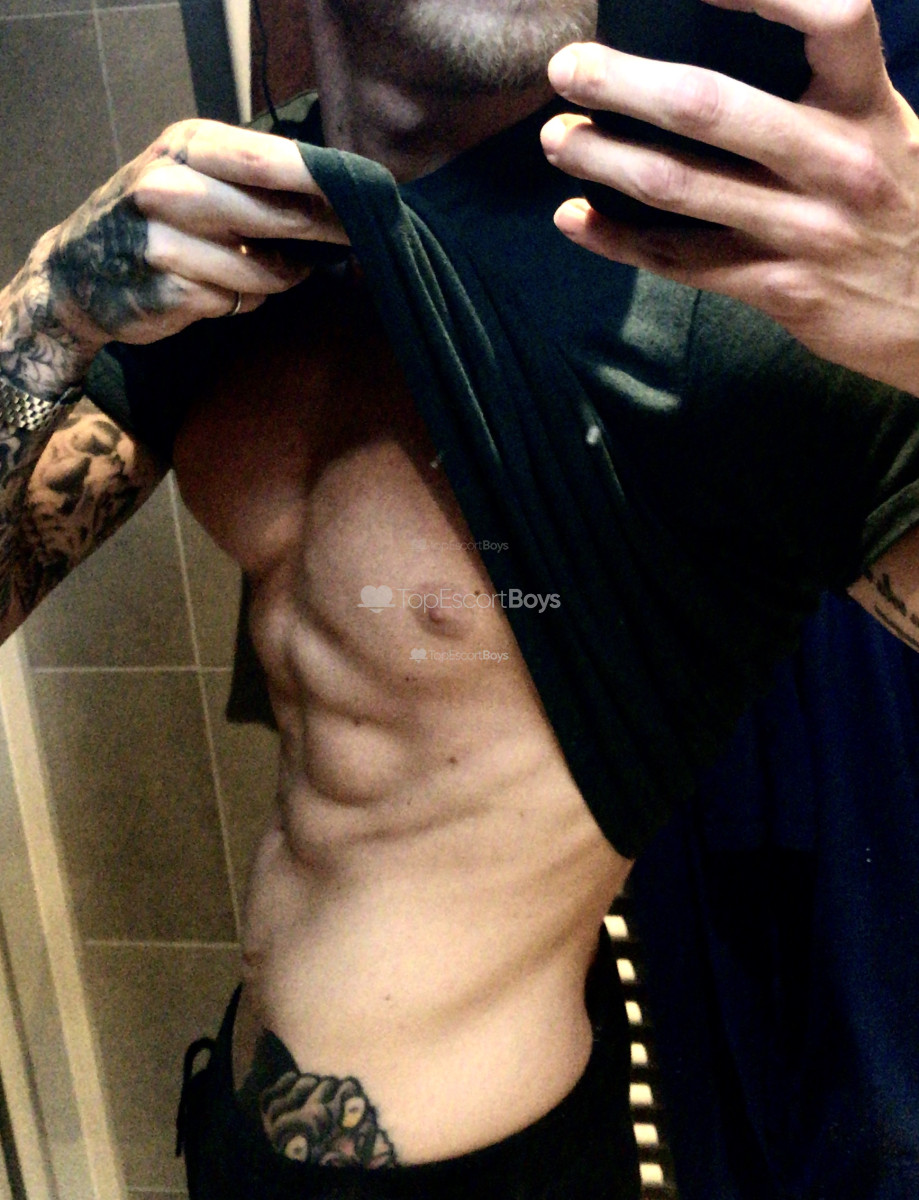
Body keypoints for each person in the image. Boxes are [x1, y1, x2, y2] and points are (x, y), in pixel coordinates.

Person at [1, 1, 919, 1197]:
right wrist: (48, 313)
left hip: (497, 1166)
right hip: (229, 1125)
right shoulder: (225, 216)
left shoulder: (720, 262)